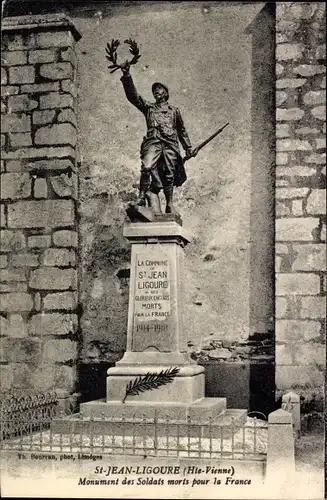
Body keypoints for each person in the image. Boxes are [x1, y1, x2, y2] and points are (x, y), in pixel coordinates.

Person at [120, 62, 198, 214]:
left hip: (170, 145)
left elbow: (181, 130)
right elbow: (133, 97)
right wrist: (127, 75)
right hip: (153, 142)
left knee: (169, 175)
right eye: (154, 90)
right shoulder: (149, 108)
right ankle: (141, 197)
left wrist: (188, 148)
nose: (156, 91)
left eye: (159, 89)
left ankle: (169, 204)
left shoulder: (174, 111)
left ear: (165, 93)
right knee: (147, 167)